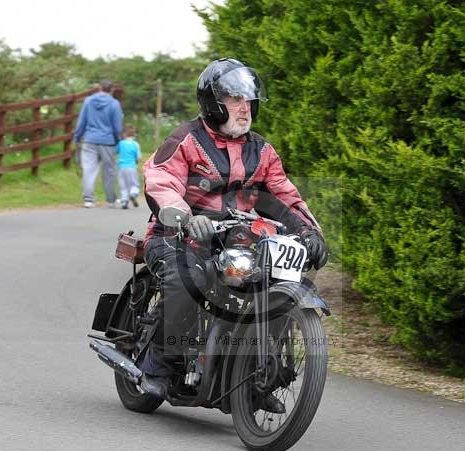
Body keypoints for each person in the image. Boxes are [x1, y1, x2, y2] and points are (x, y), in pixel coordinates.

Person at [139, 58, 329, 411]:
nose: (245, 108)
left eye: (249, 101)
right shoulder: (186, 140)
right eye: (235, 99)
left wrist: (309, 231)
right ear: (213, 103)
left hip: (234, 239)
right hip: (176, 236)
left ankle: (255, 379)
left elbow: (284, 196)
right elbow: (161, 181)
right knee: (188, 279)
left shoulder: (262, 151)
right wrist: (183, 215)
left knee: (272, 285)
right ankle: (158, 363)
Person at [74, 80, 123, 208]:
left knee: (88, 170)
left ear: (99, 88)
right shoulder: (114, 104)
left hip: (90, 140)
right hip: (107, 141)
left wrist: (77, 138)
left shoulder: (88, 101)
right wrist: (118, 141)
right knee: (109, 171)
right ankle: (111, 200)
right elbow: (117, 126)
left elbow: (81, 122)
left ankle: (88, 200)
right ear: (111, 89)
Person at [116, 126, 141, 209]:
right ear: (134, 135)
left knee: (123, 185)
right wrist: (136, 163)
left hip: (121, 167)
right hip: (131, 167)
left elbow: (117, 151)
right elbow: (138, 158)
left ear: (124, 134)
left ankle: (124, 201)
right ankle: (133, 194)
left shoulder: (121, 143)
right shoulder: (135, 144)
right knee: (134, 184)